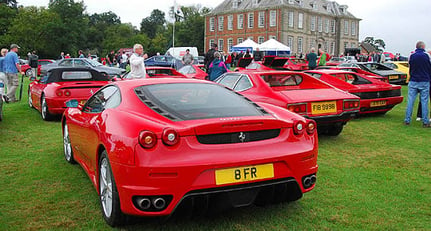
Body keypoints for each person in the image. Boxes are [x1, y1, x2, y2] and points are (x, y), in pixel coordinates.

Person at [404, 41, 431, 127]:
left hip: (413, 80)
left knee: (410, 101)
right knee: (424, 101)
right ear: (423, 47)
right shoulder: (427, 55)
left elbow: (409, 66)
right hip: (424, 80)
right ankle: (425, 121)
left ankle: (407, 120)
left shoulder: (411, 55)